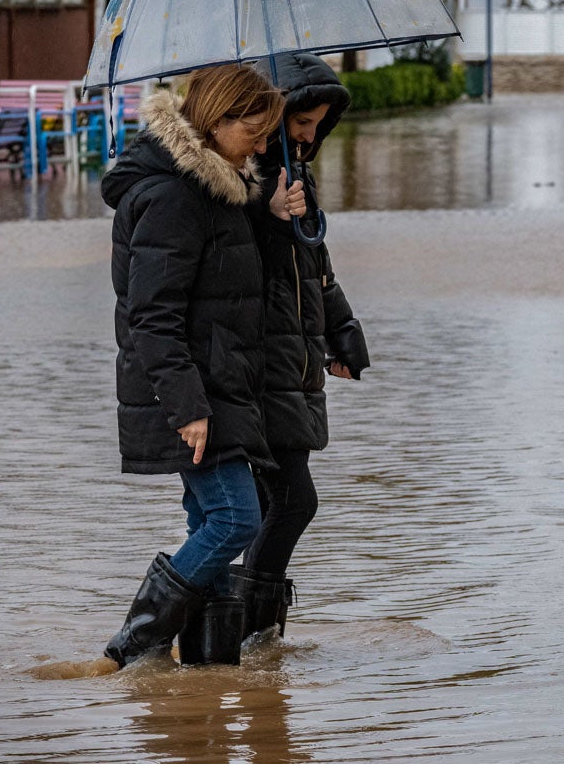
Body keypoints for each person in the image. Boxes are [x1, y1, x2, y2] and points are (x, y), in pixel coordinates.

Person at [99, 63, 291, 669]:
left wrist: (274, 215)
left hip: (220, 386)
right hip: (191, 394)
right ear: (217, 121)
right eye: (255, 133)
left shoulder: (217, 188)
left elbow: (230, 278)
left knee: (210, 518)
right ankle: (131, 649)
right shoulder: (172, 196)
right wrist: (189, 408)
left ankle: (206, 671)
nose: (263, 147)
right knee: (237, 518)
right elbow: (152, 317)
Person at [229, 52, 369, 641]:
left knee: (275, 501)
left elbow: (315, 267)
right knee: (293, 500)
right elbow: (230, 267)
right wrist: (268, 212)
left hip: (299, 360)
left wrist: (344, 335)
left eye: (318, 125)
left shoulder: (298, 177)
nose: (310, 135)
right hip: (262, 366)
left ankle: (253, 644)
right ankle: (249, 626)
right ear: (275, 113)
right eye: (301, 122)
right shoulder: (237, 174)